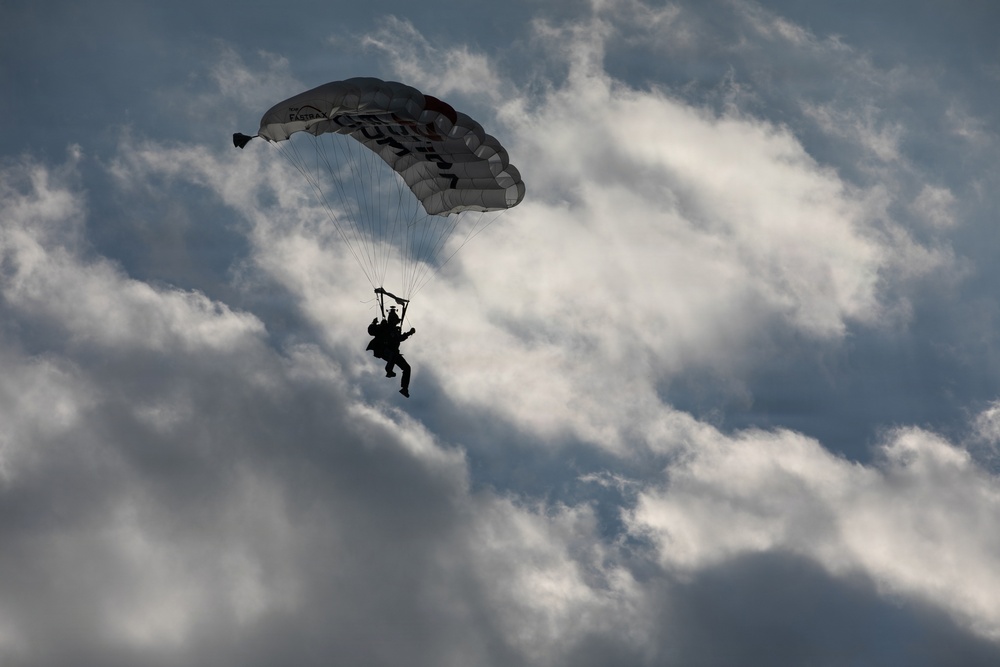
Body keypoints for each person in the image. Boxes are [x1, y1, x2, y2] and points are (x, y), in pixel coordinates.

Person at [366, 307, 416, 397]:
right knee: (392, 355)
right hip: (383, 350)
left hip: (393, 353)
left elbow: (400, 338)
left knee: (407, 368)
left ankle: (404, 388)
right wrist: (374, 323)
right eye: (395, 321)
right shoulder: (383, 327)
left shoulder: (395, 331)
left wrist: (409, 333)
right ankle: (389, 370)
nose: (395, 323)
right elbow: (371, 331)